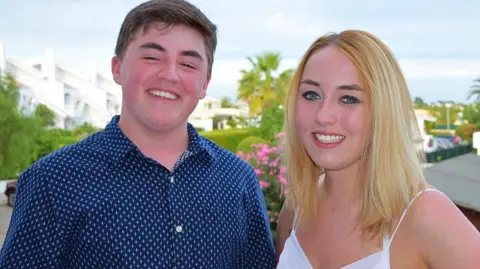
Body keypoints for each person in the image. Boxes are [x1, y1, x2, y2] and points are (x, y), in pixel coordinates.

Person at [0, 1, 276, 268]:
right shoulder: (53, 181)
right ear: (117, 68)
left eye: (188, 64)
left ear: (204, 83)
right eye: (152, 57)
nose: (170, 75)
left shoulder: (238, 179)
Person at [275, 30, 480, 268]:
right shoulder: (297, 207)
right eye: (311, 94)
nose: (323, 116)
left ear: (384, 110)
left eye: (349, 98)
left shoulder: (425, 215)